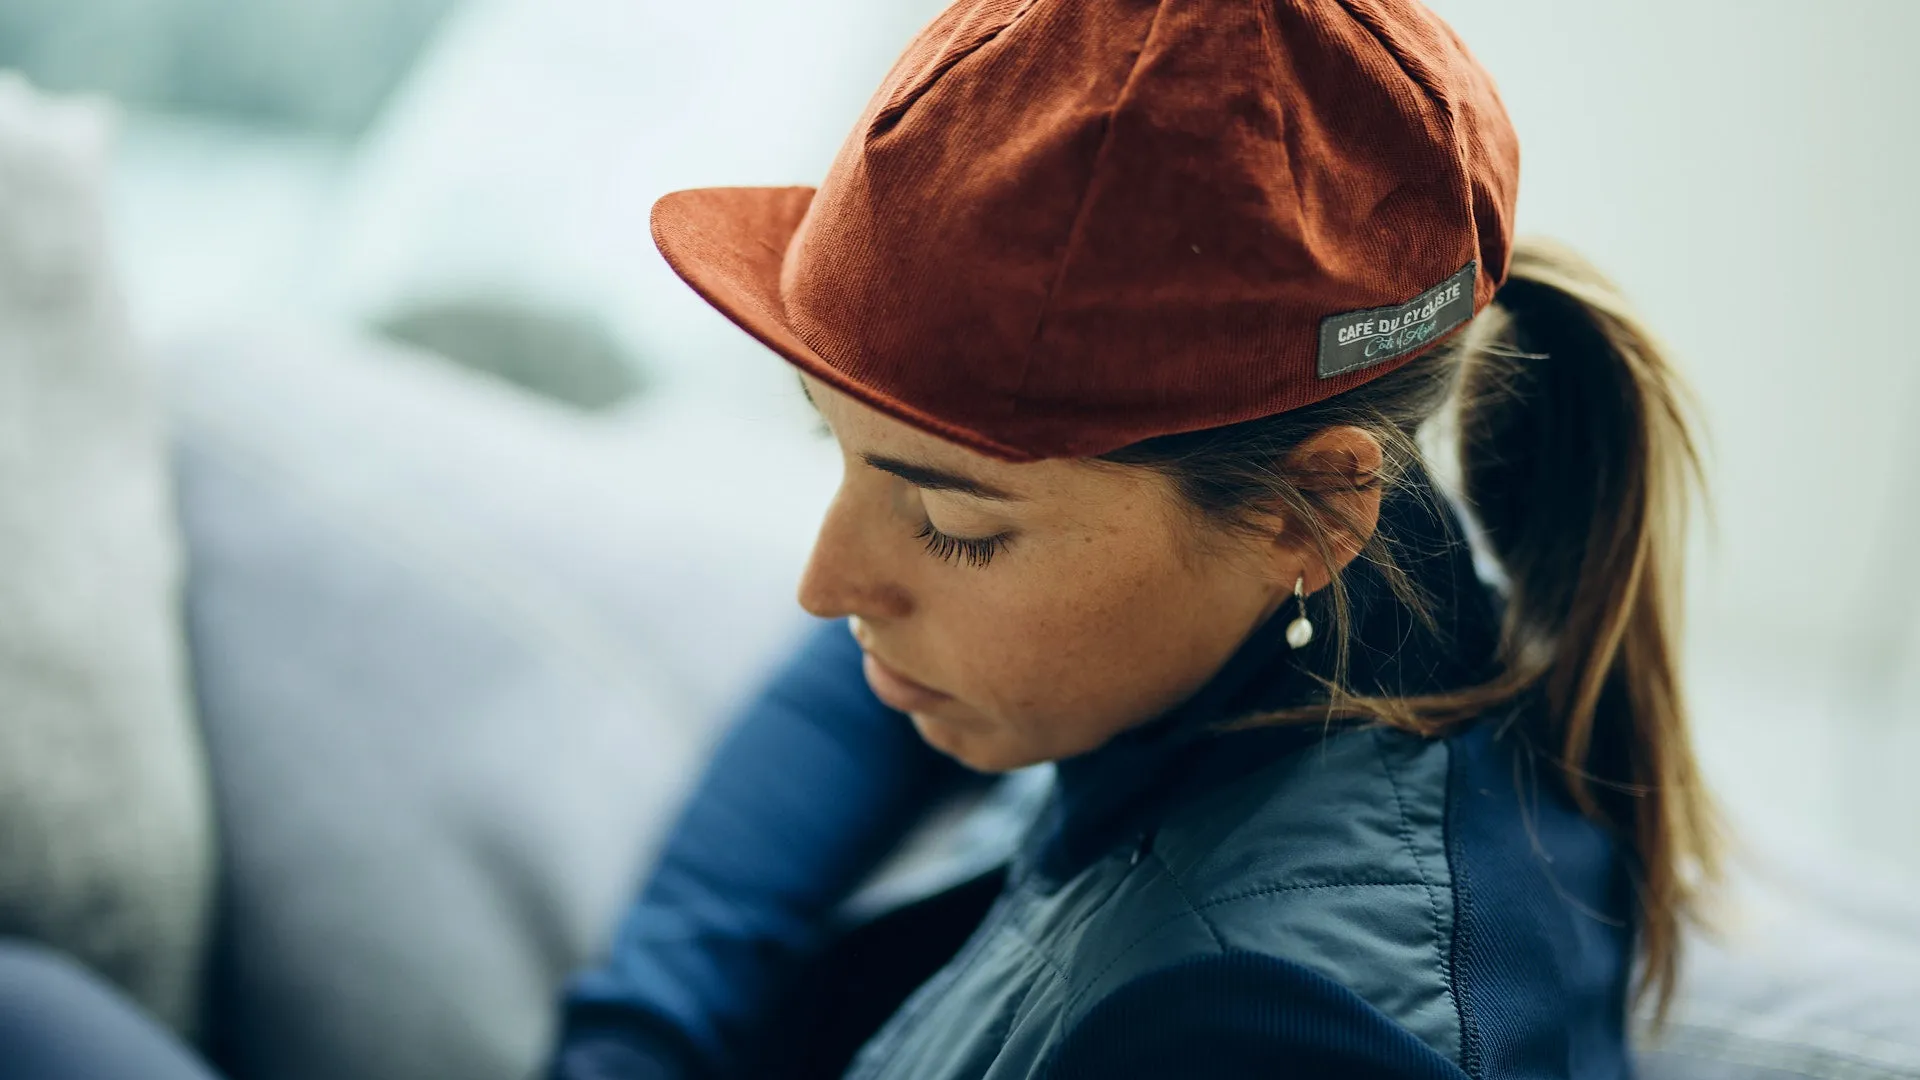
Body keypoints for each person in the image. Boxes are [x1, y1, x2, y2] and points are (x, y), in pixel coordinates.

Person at [547, 0, 1720, 1077]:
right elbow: (855, 688)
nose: (825, 584)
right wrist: (644, 1030)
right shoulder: (1340, 593)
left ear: (1307, 511)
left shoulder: (1275, 1038)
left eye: (953, 526)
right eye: (837, 449)